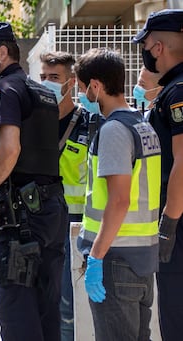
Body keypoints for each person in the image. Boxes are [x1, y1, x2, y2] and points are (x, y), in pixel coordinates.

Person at [0, 22, 68, 340]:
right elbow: (30, 152)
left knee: (18, 312)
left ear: (1, 52)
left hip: (22, 217)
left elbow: (10, 149)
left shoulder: (2, 90)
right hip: (51, 212)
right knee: (47, 311)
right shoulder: (43, 93)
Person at [75, 47, 161, 340]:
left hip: (115, 261)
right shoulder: (142, 125)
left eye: (83, 88)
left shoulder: (113, 130)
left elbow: (120, 199)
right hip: (141, 262)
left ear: (96, 86)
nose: (82, 95)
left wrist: (96, 257)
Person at [40, 51, 100, 341]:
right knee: (46, 302)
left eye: (54, 78)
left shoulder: (90, 123)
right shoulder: (34, 123)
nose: (46, 83)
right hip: (42, 225)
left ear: (71, 82)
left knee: (68, 306)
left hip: (77, 227)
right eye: (43, 77)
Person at [132, 9, 183, 341]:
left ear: (158, 47)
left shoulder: (177, 93)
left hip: (179, 221)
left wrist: (170, 222)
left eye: (146, 44)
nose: (145, 52)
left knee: (175, 313)